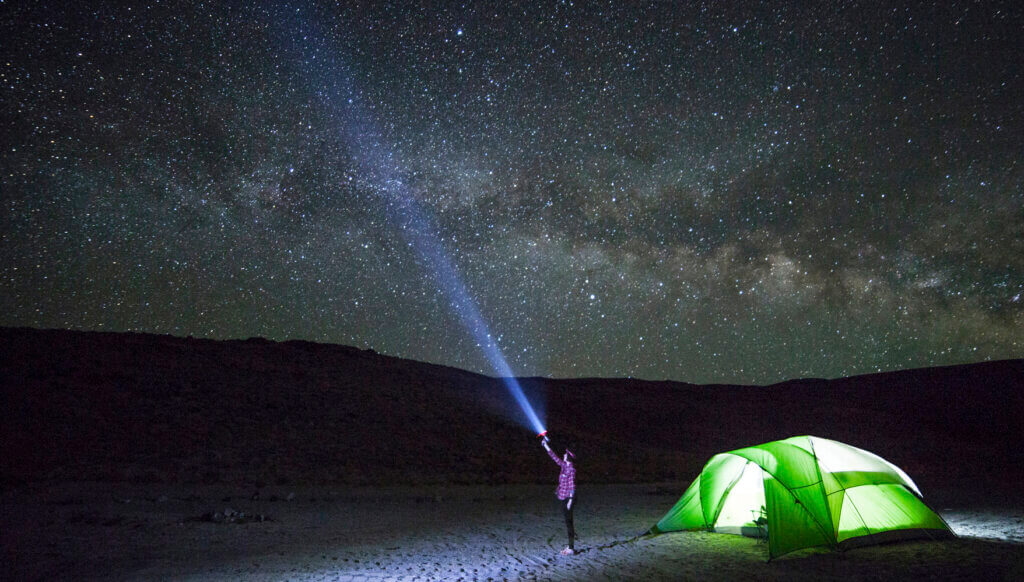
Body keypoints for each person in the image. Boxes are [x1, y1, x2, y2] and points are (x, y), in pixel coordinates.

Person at [540, 433, 576, 555]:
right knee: (568, 522)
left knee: (569, 522)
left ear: (569, 457)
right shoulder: (564, 465)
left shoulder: (571, 468)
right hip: (563, 497)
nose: (564, 454)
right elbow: (554, 457)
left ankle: (571, 548)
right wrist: (546, 446)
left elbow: (572, 484)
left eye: (566, 454)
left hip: (567, 499)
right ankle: (570, 545)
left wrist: (570, 500)